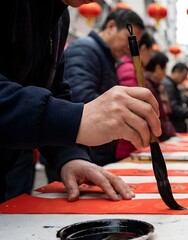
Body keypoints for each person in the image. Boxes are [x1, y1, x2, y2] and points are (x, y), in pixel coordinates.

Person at [0, 0, 161, 203]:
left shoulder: (60, 16)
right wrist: (77, 119)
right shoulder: (86, 50)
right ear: (110, 26)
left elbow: (54, 91)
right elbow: (77, 107)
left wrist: (71, 156)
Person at [64, 8, 145, 166]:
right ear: (111, 26)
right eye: (129, 40)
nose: (130, 48)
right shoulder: (85, 49)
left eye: (135, 44)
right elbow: (79, 101)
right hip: (78, 154)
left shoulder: (105, 56)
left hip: (92, 151)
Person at [116, 51, 176, 159]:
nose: (165, 73)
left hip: (141, 139)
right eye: (164, 69)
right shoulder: (135, 73)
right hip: (134, 142)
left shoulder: (155, 84)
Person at [163, 63, 188, 133]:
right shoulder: (169, 85)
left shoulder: (171, 84)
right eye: (184, 76)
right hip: (174, 126)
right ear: (177, 72)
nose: (184, 79)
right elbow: (173, 108)